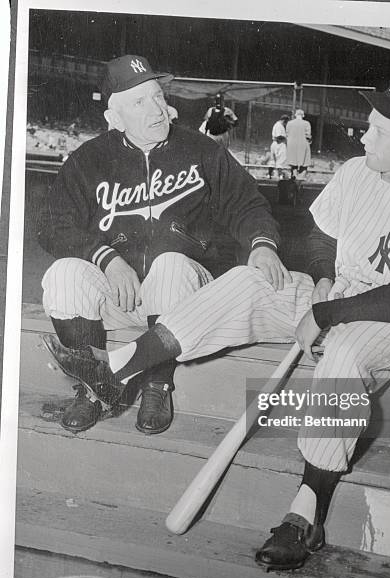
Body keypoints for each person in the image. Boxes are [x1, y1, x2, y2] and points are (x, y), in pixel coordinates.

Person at [43, 75, 390, 571]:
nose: (363, 136)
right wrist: (324, 278)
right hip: (334, 297)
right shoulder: (358, 171)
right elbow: (321, 239)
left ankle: (305, 510)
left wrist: (326, 313)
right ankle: (118, 369)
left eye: (377, 130)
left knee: (346, 353)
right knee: (250, 280)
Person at [37, 54, 287, 436]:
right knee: (64, 273)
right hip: (119, 298)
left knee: (170, 262)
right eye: (140, 102)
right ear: (114, 118)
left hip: (183, 299)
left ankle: (157, 385)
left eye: (157, 96)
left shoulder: (202, 150)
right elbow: (52, 225)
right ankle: (95, 388)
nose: (158, 110)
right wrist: (105, 258)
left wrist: (262, 243)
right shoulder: (88, 159)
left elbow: (247, 204)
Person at [286, 109, 312, 179]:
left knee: (293, 162)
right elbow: (308, 136)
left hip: (292, 145)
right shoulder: (307, 123)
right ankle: (300, 178)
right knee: (304, 163)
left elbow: (287, 134)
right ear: (303, 115)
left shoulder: (289, 123)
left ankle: (294, 175)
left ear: (295, 115)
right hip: (303, 144)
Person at [268, 114, 289, 179]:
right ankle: (280, 175)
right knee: (280, 160)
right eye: (286, 122)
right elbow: (279, 137)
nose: (286, 124)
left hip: (275, 144)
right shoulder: (279, 125)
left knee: (273, 160)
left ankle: (269, 174)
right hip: (279, 144)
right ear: (284, 120)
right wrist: (286, 138)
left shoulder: (277, 125)